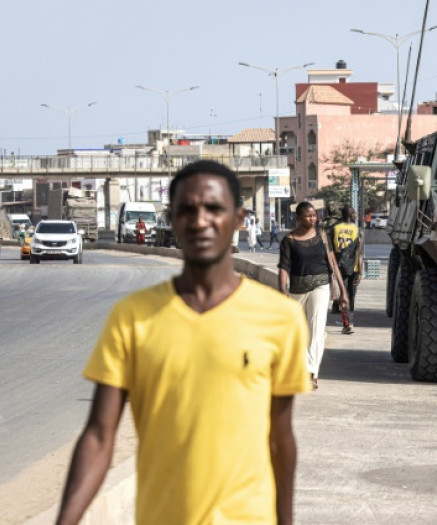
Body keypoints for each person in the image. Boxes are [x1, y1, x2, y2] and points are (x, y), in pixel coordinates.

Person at [56, 160, 311, 525]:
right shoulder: (132, 317)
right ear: (171, 220)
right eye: (187, 210)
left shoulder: (279, 319)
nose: (200, 220)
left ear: (238, 219)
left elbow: (280, 438)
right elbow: (99, 436)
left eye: (214, 209)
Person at [278, 201, 349, 390]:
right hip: (297, 290)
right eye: (308, 216)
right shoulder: (289, 240)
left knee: (317, 331)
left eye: (314, 215)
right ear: (298, 218)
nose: (312, 219)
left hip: (321, 286)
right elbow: (284, 268)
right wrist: (282, 292)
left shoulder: (322, 237)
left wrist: (343, 291)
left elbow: (333, 264)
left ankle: (311, 373)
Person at [331, 206, 364, 334]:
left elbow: (330, 250)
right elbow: (360, 253)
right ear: (350, 215)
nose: (356, 217)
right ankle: (350, 322)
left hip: (339, 268)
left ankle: (346, 324)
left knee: (342, 296)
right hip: (354, 268)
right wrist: (361, 272)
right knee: (351, 295)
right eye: (354, 214)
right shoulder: (358, 231)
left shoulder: (335, 229)